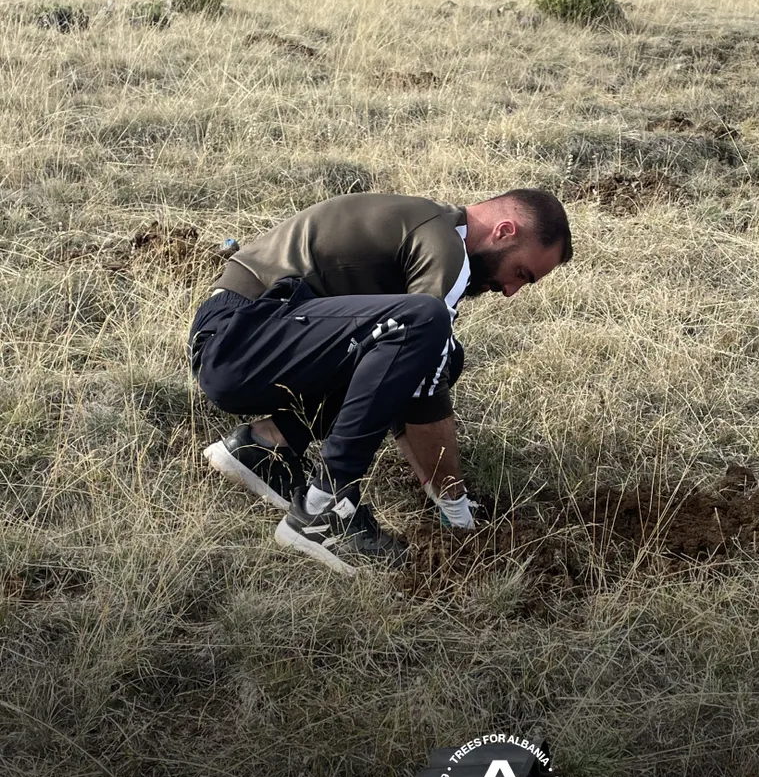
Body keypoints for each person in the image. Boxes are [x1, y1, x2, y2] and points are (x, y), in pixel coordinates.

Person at [187, 189, 573, 573]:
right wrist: (455, 509)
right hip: (238, 339)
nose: (510, 291)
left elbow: (404, 374)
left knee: (434, 347)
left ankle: (265, 448)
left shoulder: (431, 227)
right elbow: (423, 382)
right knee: (427, 327)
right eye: (521, 273)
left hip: (248, 336)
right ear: (504, 231)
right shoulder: (444, 245)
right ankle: (325, 509)